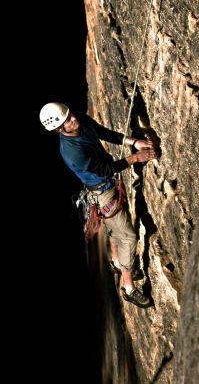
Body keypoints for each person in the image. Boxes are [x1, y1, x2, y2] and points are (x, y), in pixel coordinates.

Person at [40, 102, 157, 308]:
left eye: (70, 114)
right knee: (128, 236)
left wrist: (134, 142)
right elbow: (103, 170)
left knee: (115, 228)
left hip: (106, 187)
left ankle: (115, 261)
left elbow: (104, 133)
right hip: (102, 190)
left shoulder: (81, 120)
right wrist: (135, 157)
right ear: (59, 129)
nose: (73, 119)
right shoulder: (71, 151)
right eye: (66, 120)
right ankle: (128, 287)